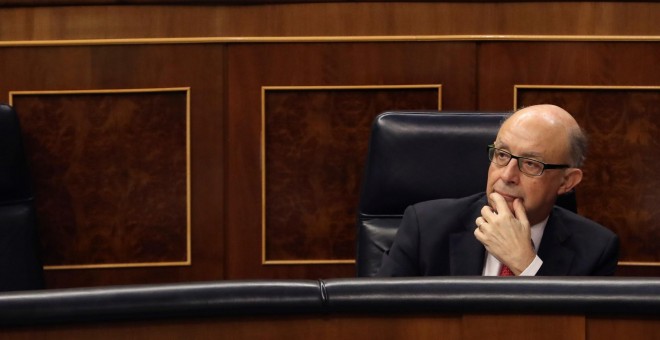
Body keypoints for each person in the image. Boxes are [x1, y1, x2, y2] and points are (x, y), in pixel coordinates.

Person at [377, 104, 619, 277]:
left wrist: (525, 265)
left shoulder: (596, 250)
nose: (507, 175)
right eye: (502, 155)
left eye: (531, 164)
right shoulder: (426, 228)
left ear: (567, 181)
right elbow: (376, 322)